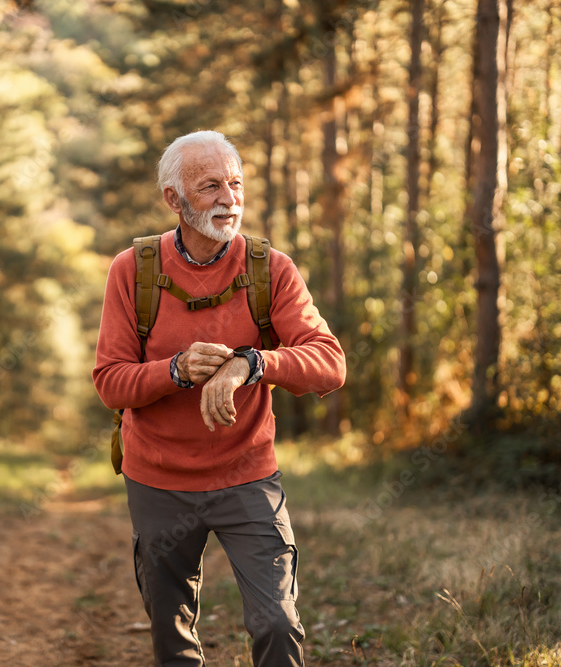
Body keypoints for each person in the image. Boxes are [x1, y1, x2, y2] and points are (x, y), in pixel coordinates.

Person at [92, 130, 346, 666]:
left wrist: (251, 364)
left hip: (246, 475)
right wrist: (176, 371)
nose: (229, 199)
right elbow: (110, 381)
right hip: (158, 478)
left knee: (278, 623)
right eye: (210, 186)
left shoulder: (269, 269)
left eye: (235, 183)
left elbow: (329, 363)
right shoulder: (132, 270)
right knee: (172, 637)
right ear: (174, 198)